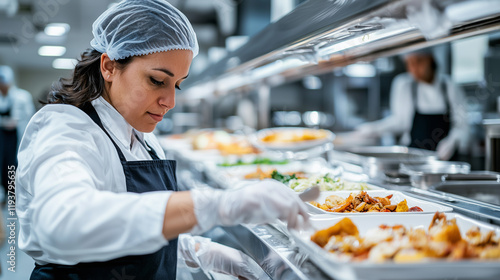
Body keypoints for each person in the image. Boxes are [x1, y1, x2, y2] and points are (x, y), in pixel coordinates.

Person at [15, 1, 309, 279]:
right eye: (157, 80)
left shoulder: (144, 140)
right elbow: (64, 224)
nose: (170, 101)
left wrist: (200, 253)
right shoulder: (65, 128)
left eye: (177, 85)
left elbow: (134, 235)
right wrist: (217, 205)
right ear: (109, 67)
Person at [356, 49, 469, 160]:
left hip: (444, 161)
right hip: (413, 159)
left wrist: (453, 140)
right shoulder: (404, 85)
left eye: (418, 61)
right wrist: (373, 129)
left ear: (430, 59)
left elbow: (462, 125)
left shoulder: (450, 86)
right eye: (409, 63)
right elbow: (400, 122)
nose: (414, 68)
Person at [0, 65, 35, 200]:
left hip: (17, 137)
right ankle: (5, 193)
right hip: (3, 137)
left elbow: (31, 118)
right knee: (3, 164)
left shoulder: (22, 97)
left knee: (14, 165)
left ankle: (14, 195)